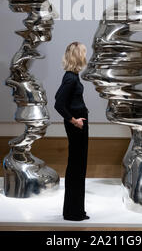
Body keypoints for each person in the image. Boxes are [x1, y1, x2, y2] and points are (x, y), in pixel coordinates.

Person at [54, 41, 90, 221]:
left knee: (78, 166)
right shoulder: (70, 78)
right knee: (77, 166)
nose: (85, 56)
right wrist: (74, 121)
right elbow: (58, 103)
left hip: (79, 126)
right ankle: (73, 212)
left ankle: (75, 211)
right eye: (83, 52)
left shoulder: (73, 77)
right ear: (78, 55)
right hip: (77, 127)